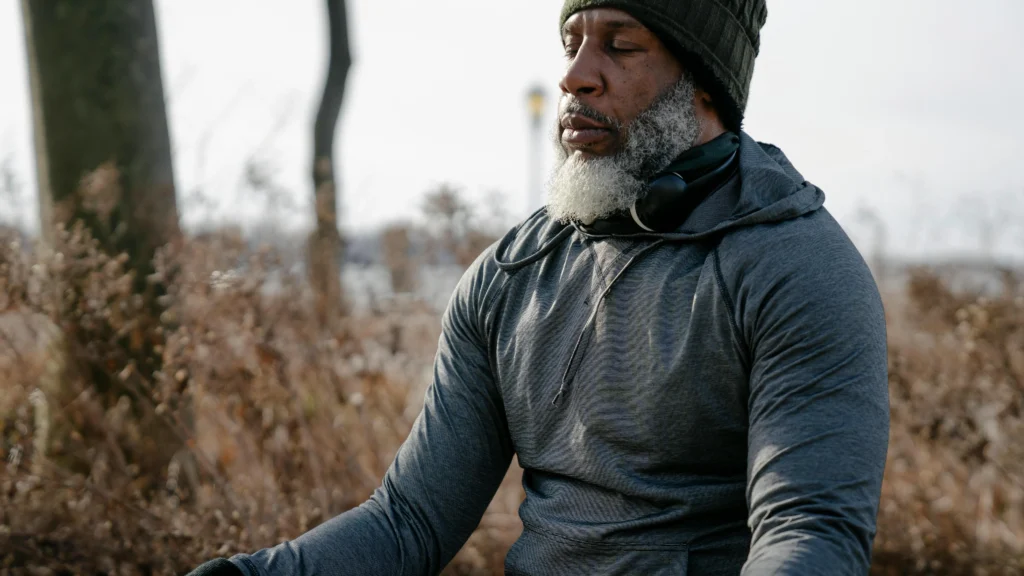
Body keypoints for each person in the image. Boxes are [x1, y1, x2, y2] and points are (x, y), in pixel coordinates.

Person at [189, 1, 890, 574]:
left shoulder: (797, 269)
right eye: (571, 43)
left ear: (703, 83)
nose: (576, 77)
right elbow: (408, 522)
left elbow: (810, 534)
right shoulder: (510, 275)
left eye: (620, 46)